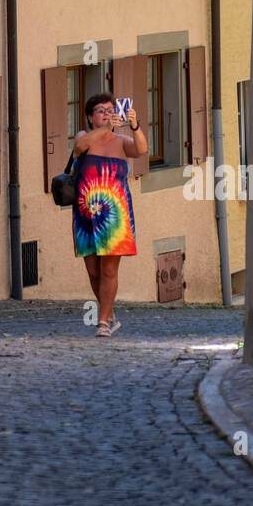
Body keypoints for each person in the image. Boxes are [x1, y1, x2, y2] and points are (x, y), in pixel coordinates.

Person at [72, 92, 147, 336]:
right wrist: (105, 128)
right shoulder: (85, 137)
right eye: (101, 111)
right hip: (86, 214)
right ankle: (109, 311)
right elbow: (79, 148)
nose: (106, 113)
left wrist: (135, 126)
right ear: (90, 116)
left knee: (108, 271)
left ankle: (103, 322)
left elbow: (141, 150)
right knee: (93, 272)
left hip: (115, 215)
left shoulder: (121, 141)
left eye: (109, 109)